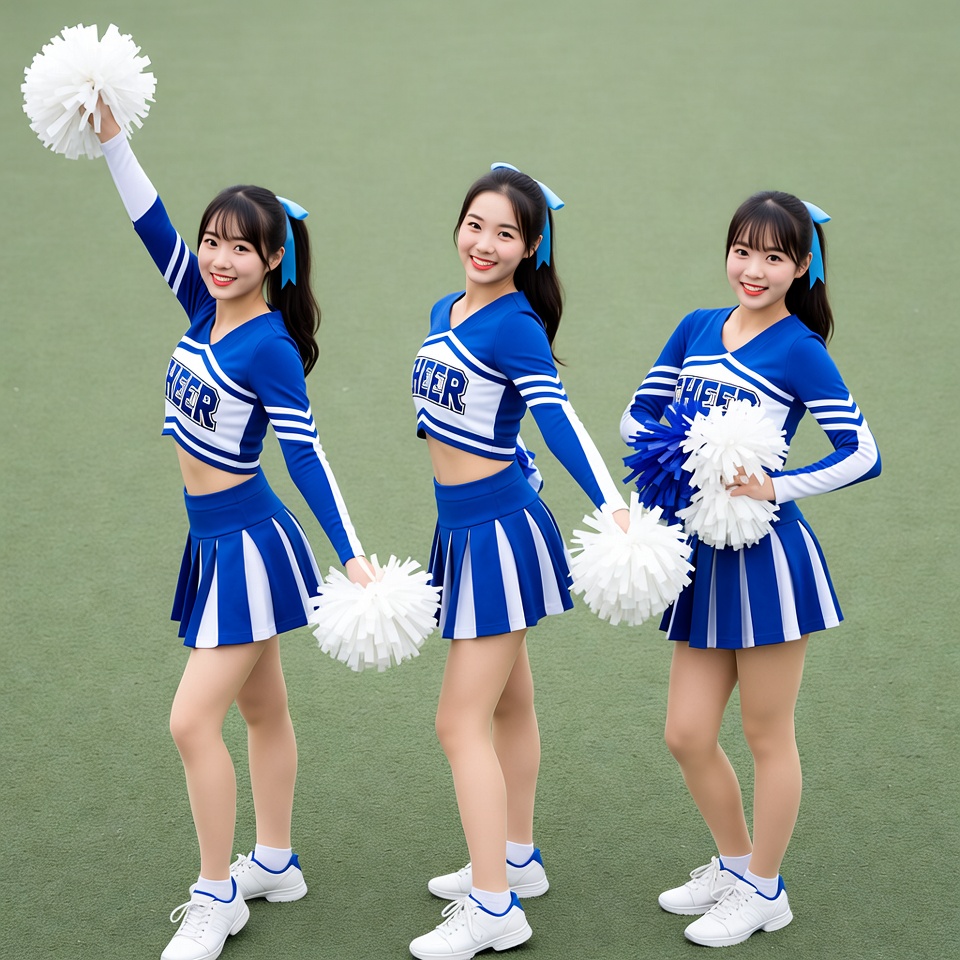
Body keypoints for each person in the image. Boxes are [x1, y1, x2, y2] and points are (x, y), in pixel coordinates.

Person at [89, 104, 371, 960]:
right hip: (209, 540)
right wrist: (114, 141)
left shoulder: (270, 346)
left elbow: (308, 459)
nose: (218, 258)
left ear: (273, 259)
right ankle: (275, 861)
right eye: (213, 241)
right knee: (262, 707)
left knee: (190, 722)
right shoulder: (200, 304)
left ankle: (217, 895)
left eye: (240, 247)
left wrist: (353, 557)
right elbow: (150, 223)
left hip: (252, 542)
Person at [620, 191, 881, 947]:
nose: (753, 269)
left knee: (767, 733)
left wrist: (775, 483)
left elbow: (861, 451)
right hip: (700, 554)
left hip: (769, 561)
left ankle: (766, 889)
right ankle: (735, 864)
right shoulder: (698, 328)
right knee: (686, 733)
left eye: (773, 256)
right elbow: (641, 413)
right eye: (742, 250)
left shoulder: (800, 348)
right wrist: (672, 463)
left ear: (802, 266)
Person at [408, 163, 629, 960]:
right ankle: (518, 857)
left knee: (456, 721)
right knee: (506, 705)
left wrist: (611, 504)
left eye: (505, 233)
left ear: (530, 247)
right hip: (463, 529)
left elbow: (558, 420)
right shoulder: (447, 309)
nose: (485, 243)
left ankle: (494, 905)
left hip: (499, 535)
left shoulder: (516, 325)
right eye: (475, 224)